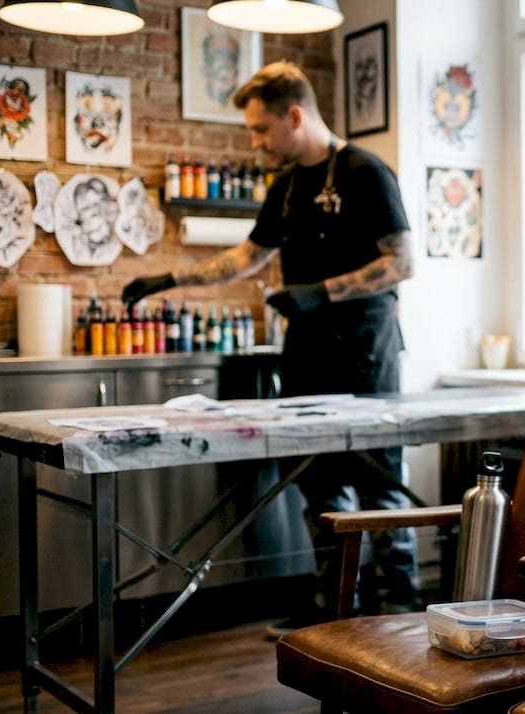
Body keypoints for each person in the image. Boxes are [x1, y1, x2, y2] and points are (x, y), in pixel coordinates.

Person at [121, 60, 420, 634]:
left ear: (295, 114)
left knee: (382, 485)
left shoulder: (365, 171)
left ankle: (403, 612)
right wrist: (169, 281)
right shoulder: (284, 187)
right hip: (305, 353)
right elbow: (247, 257)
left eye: (261, 129)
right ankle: (335, 612)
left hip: (365, 352)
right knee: (319, 485)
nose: (256, 142)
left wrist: (321, 293)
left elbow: (402, 262)